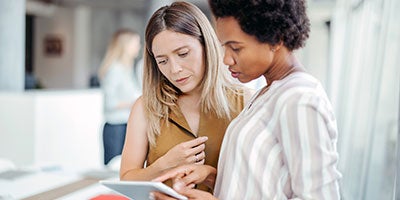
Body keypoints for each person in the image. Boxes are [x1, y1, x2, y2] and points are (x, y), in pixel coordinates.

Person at [152, 0, 342, 199]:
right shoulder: (268, 93)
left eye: (236, 48)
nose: (226, 59)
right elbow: (264, 184)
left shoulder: (299, 99)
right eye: (225, 47)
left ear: (275, 39)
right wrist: (213, 177)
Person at [119, 1, 250, 192]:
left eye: (183, 53)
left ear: (206, 45)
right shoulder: (145, 108)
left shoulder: (245, 101)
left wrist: (212, 176)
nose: (175, 69)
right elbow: (126, 180)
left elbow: (256, 183)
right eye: (162, 61)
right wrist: (163, 166)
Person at [98, 29, 142, 166]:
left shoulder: (127, 69)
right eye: (136, 43)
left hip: (125, 125)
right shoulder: (115, 69)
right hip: (115, 128)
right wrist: (135, 102)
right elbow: (110, 102)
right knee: (113, 168)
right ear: (125, 45)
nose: (138, 47)